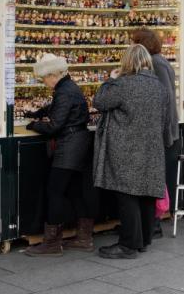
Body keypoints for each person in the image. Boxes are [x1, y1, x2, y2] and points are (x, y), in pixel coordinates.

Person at [92, 45, 166, 259]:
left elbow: (100, 102)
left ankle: (128, 245)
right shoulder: (158, 85)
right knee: (146, 193)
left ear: (128, 61)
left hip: (126, 147)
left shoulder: (124, 84)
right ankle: (143, 240)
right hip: (151, 147)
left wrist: (110, 79)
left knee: (127, 194)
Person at [24, 54, 95, 257]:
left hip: (69, 147)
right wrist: (38, 113)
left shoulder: (64, 92)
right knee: (75, 191)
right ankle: (84, 238)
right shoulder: (68, 87)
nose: (43, 82)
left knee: (54, 191)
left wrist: (34, 125)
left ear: (52, 75)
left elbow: (54, 126)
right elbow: (57, 109)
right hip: (79, 144)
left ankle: (52, 243)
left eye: (44, 78)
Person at [130, 27, 179, 236]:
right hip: (163, 132)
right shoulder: (159, 61)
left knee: (154, 179)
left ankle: (154, 223)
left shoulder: (156, 64)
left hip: (162, 134)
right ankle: (151, 222)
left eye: (133, 42)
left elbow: (164, 99)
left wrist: (161, 134)